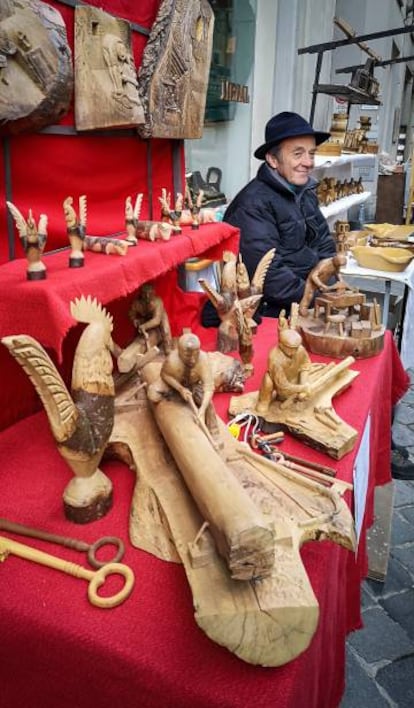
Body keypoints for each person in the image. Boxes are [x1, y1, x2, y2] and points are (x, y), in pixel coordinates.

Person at [224, 111, 337, 317]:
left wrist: (328, 279)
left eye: (311, 153)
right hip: (273, 313)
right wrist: (318, 296)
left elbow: (325, 244)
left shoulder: (305, 193)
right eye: (297, 154)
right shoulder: (252, 205)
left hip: (309, 301)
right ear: (273, 160)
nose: (308, 162)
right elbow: (269, 277)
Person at [256, 328, 312, 414]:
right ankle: (264, 400)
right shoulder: (275, 359)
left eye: (296, 348)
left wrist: (303, 383)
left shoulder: (300, 350)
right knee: (268, 381)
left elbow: (305, 366)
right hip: (279, 383)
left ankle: (287, 395)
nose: (294, 351)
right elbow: (283, 387)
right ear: (281, 345)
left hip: (293, 378)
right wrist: (303, 388)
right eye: (290, 348)